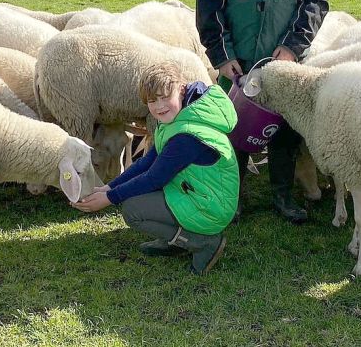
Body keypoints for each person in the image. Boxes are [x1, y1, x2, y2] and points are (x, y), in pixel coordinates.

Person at [196, 0, 329, 224]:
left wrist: (292, 47)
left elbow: (315, 1)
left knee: (283, 130)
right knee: (232, 127)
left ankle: (283, 196)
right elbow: (209, 9)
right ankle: (234, 196)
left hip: (282, 62)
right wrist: (222, 56)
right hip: (237, 62)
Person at [72, 61, 239, 275]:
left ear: (181, 89)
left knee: (133, 211)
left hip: (209, 207)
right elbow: (148, 161)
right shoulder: (181, 116)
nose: (159, 106)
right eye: (152, 101)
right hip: (199, 192)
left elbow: (154, 178)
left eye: (164, 97)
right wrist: (107, 188)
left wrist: (110, 198)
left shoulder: (186, 134)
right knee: (139, 195)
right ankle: (177, 239)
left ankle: (202, 243)